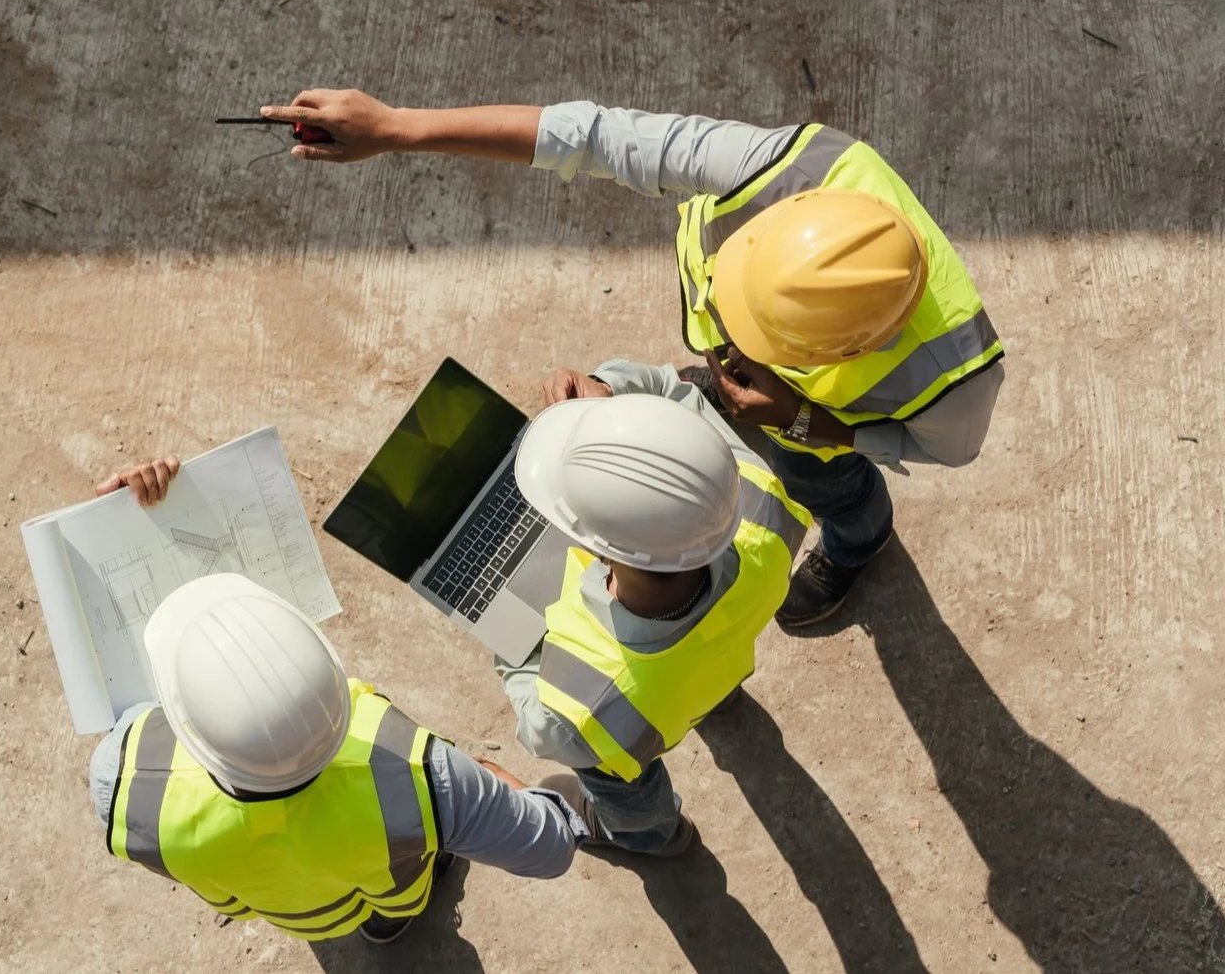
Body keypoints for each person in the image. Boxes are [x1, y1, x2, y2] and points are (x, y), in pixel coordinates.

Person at [257, 91, 1004, 625]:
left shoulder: (957, 381)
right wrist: (397, 127)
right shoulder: (785, 167)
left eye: (754, 339)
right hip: (784, 400)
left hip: (812, 429)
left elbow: (944, 452)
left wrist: (810, 425)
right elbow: (593, 136)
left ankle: (859, 540)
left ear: (847, 348)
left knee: (830, 487)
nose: (725, 341)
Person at [87, 458, 586, 944]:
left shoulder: (123, 783)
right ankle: (390, 923)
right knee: (398, 891)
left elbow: (127, 701)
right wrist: (481, 782)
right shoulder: (426, 776)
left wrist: (121, 528)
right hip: (392, 888)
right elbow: (550, 846)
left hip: (289, 910)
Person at [494, 360, 811, 854]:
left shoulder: (581, 709)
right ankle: (718, 702)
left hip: (635, 722)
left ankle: (652, 834)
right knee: (704, 676)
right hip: (711, 665)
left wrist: (508, 645)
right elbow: (675, 397)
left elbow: (540, 731)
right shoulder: (762, 508)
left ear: (594, 549)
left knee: (619, 781)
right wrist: (611, 400)